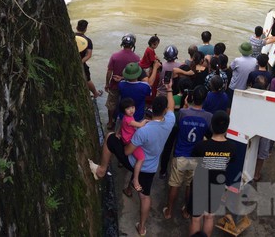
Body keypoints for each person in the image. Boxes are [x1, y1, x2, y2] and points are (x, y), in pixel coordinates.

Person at [89, 86, 176, 237]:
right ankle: (141, 228)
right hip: (151, 167)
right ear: (164, 112)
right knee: (145, 196)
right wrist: (169, 90)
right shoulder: (169, 121)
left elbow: (128, 151)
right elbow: (172, 107)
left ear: (151, 109)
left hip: (134, 160)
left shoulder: (143, 130)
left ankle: (101, 170)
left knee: (110, 137)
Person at [163, 86, 212, 220]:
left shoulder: (182, 113)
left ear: (190, 98)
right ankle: (186, 210)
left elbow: (177, 125)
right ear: (205, 99)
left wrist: (185, 107)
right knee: (190, 185)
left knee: (175, 184)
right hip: (196, 157)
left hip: (180, 155)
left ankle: (169, 211)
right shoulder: (209, 117)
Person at [189, 110, 236, 237]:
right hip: (217, 186)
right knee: (209, 216)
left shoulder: (202, 146)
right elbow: (230, 163)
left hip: (200, 184)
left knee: (196, 218)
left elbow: (194, 160)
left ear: (212, 126)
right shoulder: (232, 147)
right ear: (227, 127)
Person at [105, 34, 140, 130]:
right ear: (133, 45)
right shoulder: (136, 58)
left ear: (122, 44)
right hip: (129, 86)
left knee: (111, 104)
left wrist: (107, 84)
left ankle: (110, 122)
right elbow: (138, 74)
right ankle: (127, 122)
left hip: (115, 85)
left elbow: (109, 72)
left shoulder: (115, 56)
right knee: (128, 105)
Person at [117, 97, 148, 192]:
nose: (131, 110)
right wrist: (146, 120)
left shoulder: (127, 117)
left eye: (133, 107)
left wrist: (118, 133)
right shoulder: (129, 120)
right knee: (141, 158)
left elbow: (122, 125)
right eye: (128, 108)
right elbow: (140, 125)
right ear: (123, 110)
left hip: (125, 138)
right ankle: (135, 179)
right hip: (130, 141)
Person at [74, 19, 102, 98]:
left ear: (76, 27)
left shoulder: (70, 36)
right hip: (81, 62)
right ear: (86, 29)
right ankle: (96, 94)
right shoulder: (88, 41)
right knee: (87, 79)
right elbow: (89, 55)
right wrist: (80, 62)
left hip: (69, 61)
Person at [227, 42, 258, 106]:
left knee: (230, 105)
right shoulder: (255, 61)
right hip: (246, 88)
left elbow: (230, 68)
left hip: (234, 87)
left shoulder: (237, 60)